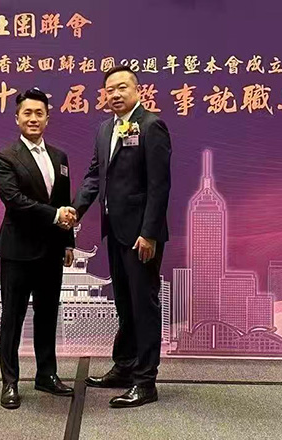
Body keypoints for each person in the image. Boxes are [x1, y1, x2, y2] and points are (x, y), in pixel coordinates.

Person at [73, 66, 172, 408]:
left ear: (137, 90)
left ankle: (145, 382)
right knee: (125, 304)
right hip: (114, 232)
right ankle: (125, 366)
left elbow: (159, 186)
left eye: (122, 87)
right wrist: (76, 210)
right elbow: (94, 175)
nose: (115, 94)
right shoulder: (105, 129)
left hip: (141, 236)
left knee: (144, 305)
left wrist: (149, 233)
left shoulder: (152, 126)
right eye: (110, 89)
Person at [0, 87, 78, 409]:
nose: (33, 118)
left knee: (47, 315)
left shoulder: (60, 157)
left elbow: (64, 201)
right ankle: (10, 382)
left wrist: (68, 242)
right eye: (27, 113)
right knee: (12, 318)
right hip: (17, 251)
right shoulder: (4, 157)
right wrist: (55, 216)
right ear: (17, 118)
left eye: (39, 113)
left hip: (51, 250)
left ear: (47, 118)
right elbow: (15, 201)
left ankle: (46, 375)